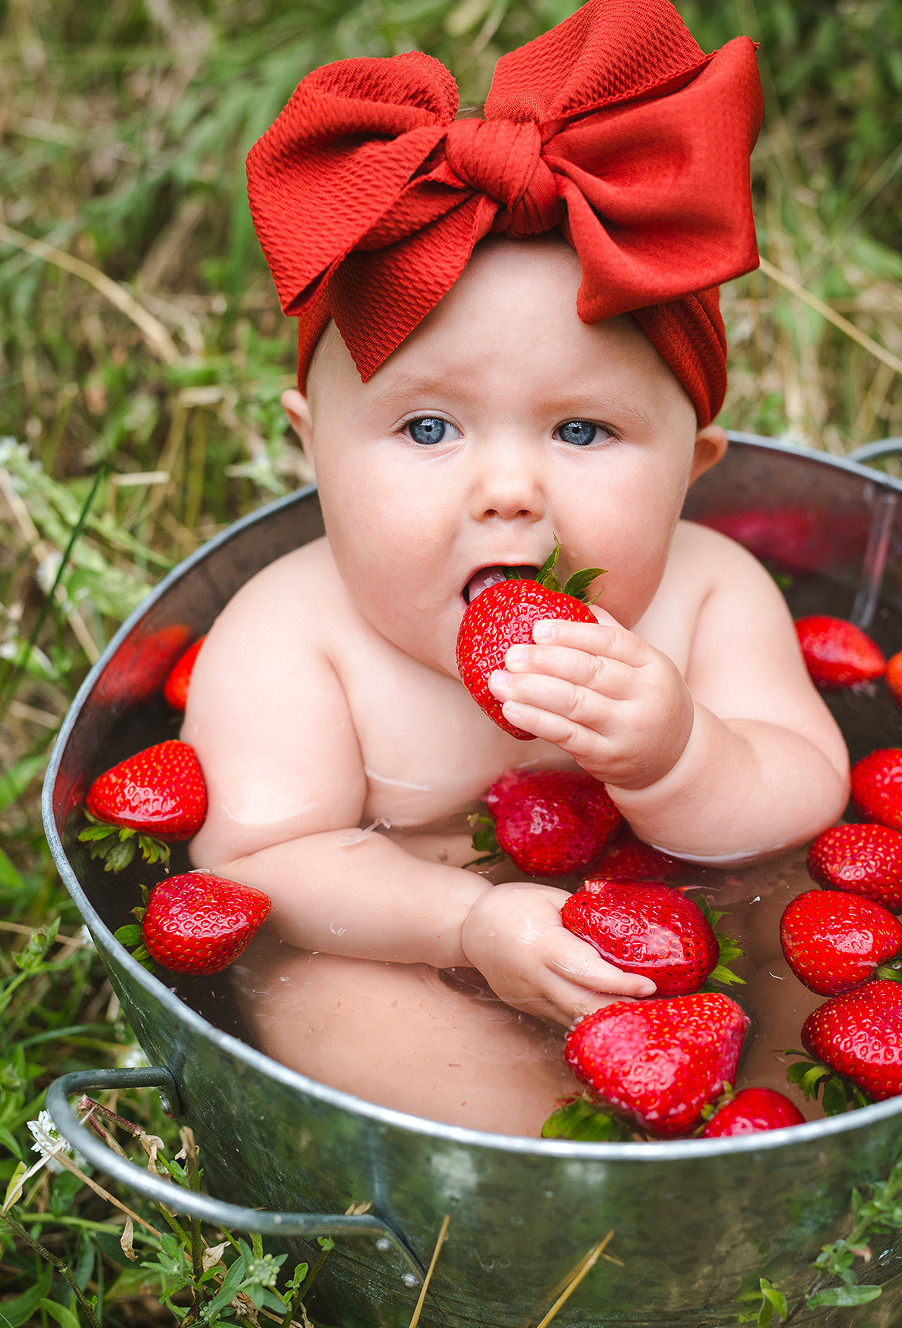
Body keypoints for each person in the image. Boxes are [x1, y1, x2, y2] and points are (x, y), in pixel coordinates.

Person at [181, 0, 847, 1131]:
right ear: (314, 448)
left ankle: (756, 1149)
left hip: (690, 948)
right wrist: (464, 926)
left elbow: (799, 796)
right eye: (429, 429)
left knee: (803, 971)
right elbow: (264, 865)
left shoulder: (708, 589)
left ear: (697, 467)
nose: (510, 489)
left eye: (582, 431)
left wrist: (682, 752)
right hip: (404, 945)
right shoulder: (293, 634)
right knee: (329, 1003)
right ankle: (540, 1160)